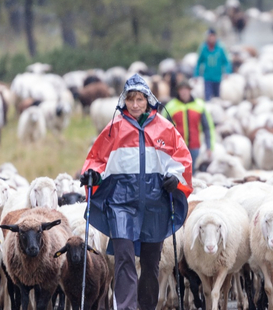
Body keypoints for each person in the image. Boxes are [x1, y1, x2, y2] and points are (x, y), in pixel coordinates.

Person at [80, 74, 192, 310]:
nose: (135, 105)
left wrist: (175, 177)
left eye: (140, 99)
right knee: (123, 258)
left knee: (151, 264)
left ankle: (147, 305)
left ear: (148, 99)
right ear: (124, 101)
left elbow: (181, 158)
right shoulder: (114, 129)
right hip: (121, 203)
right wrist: (91, 173)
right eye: (130, 99)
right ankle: (127, 307)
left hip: (156, 204)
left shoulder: (165, 128)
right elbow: (97, 159)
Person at [165, 80, 216, 172]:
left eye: (186, 90)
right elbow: (164, 129)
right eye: (181, 90)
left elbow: (208, 127)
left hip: (194, 146)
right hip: (177, 147)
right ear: (178, 91)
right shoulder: (170, 106)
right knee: (179, 171)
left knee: (192, 171)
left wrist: (209, 146)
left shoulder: (199, 105)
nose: (184, 92)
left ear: (190, 90)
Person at [194, 28, 232, 101]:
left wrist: (227, 72)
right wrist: (196, 75)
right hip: (207, 77)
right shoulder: (203, 48)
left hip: (218, 77)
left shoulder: (221, 48)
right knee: (208, 98)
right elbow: (198, 62)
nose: (211, 38)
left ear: (215, 37)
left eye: (212, 36)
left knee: (217, 98)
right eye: (209, 36)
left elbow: (226, 61)